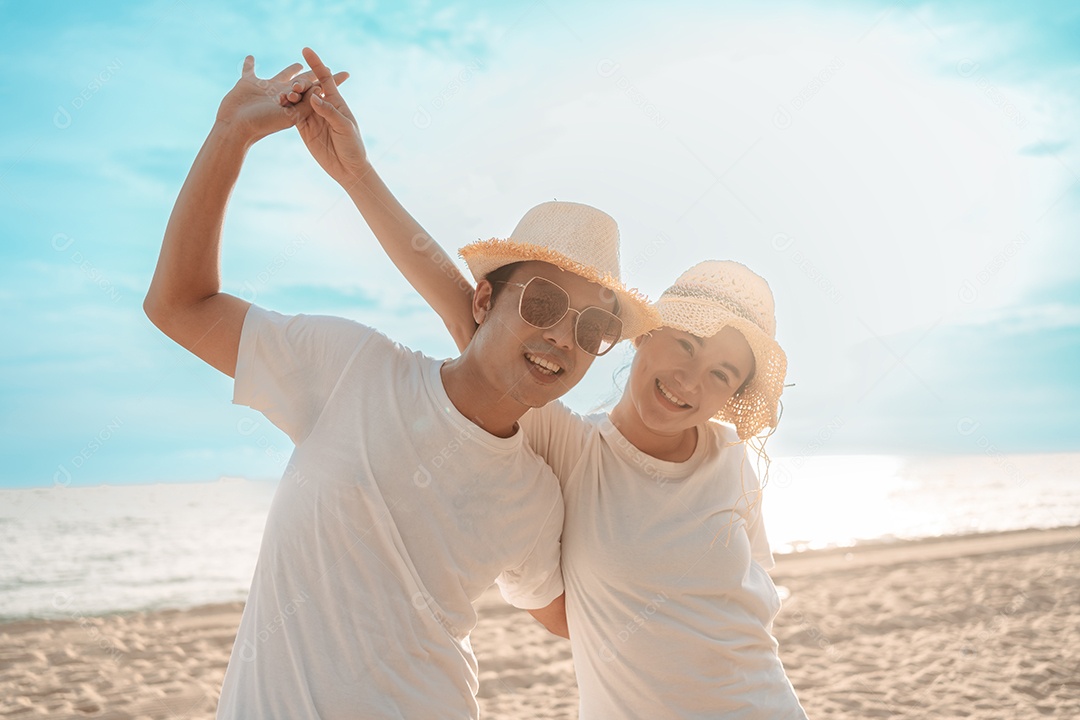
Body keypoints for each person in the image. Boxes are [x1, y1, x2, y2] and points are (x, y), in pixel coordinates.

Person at [142, 50, 659, 719]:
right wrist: (230, 135)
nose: (563, 337)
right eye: (541, 305)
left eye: (592, 329)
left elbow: (576, 615)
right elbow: (178, 306)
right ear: (481, 303)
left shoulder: (534, 498)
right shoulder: (349, 366)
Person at [294, 49, 808, 718]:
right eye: (684, 346)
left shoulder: (731, 463)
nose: (690, 380)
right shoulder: (571, 450)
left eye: (721, 375)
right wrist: (356, 174)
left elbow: (745, 611)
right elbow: (465, 313)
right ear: (644, 336)